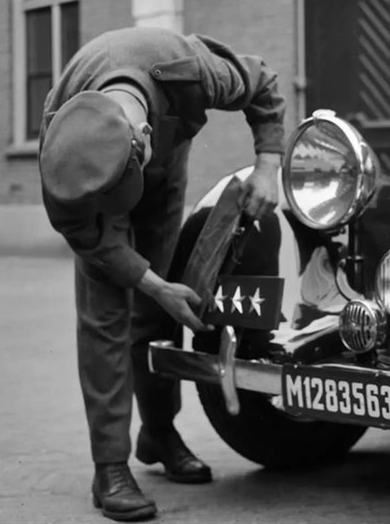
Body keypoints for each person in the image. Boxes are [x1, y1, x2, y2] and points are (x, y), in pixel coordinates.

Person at [38, 27, 285, 522]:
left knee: (157, 315)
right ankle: (110, 467)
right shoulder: (61, 151)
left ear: (144, 135)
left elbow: (261, 81)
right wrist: (151, 282)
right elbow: (88, 236)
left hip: (164, 171)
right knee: (106, 318)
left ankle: (159, 432)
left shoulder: (190, 70)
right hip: (97, 203)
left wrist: (267, 166)